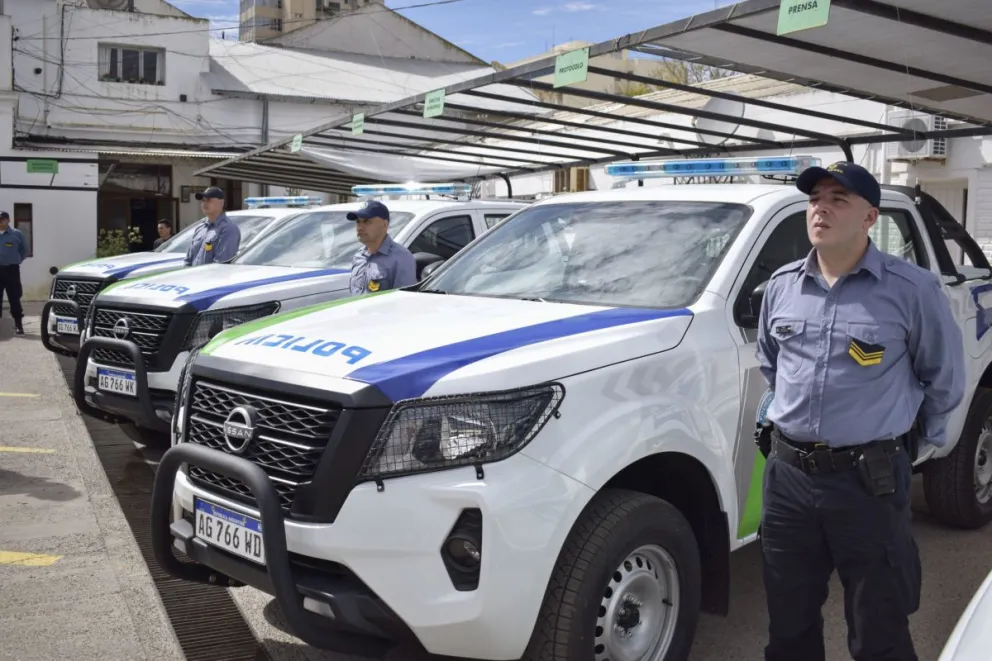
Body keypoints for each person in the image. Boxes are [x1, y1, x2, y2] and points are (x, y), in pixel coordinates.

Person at [755, 161, 966, 661]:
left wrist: (907, 445)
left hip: (868, 481)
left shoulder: (911, 290)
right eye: (815, 198)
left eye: (837, 199)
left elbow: (944, 378)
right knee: (788, 625)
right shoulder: (783, 286)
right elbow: (773, 365)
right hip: (788, 480)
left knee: (879, 628)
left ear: (870, 217)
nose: (820, 208)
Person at [346, 200, 417, 295]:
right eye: (358, 221)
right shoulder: (359, 256)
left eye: (367, 221)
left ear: (385, 224)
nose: (360, 227)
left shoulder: (401, 257)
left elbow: (404, 301)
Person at [185, 187, 241, 267]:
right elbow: (188, 259)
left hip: (212, 278)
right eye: (203, 200)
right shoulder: (200, 228)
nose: (205, 203)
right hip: (194, 277)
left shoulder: (228, 229)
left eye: (209, 200)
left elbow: (221, 264)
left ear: (221, 203)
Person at [0, 210, 27, 336]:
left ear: (8, 220)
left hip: (12, 270)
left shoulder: (16, 234)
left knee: (14, 298)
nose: (0, 221)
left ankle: (18, 325)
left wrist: (17, 260)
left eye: (2, 219)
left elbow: (25, 250)